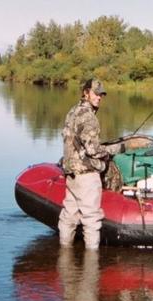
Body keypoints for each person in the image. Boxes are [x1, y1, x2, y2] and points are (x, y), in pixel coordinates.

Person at [59, 78, 123, 249]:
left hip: (71, 173)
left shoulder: (73, 111)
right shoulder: (89, 118)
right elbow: (93, 150)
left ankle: (64, 255)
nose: (99, 97)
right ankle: (91, 265)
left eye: (101, 94)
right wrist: (113, 149)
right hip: (86, 174)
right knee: (91, 220)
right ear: (86, 93)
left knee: (68, 216)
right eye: (96, 93)